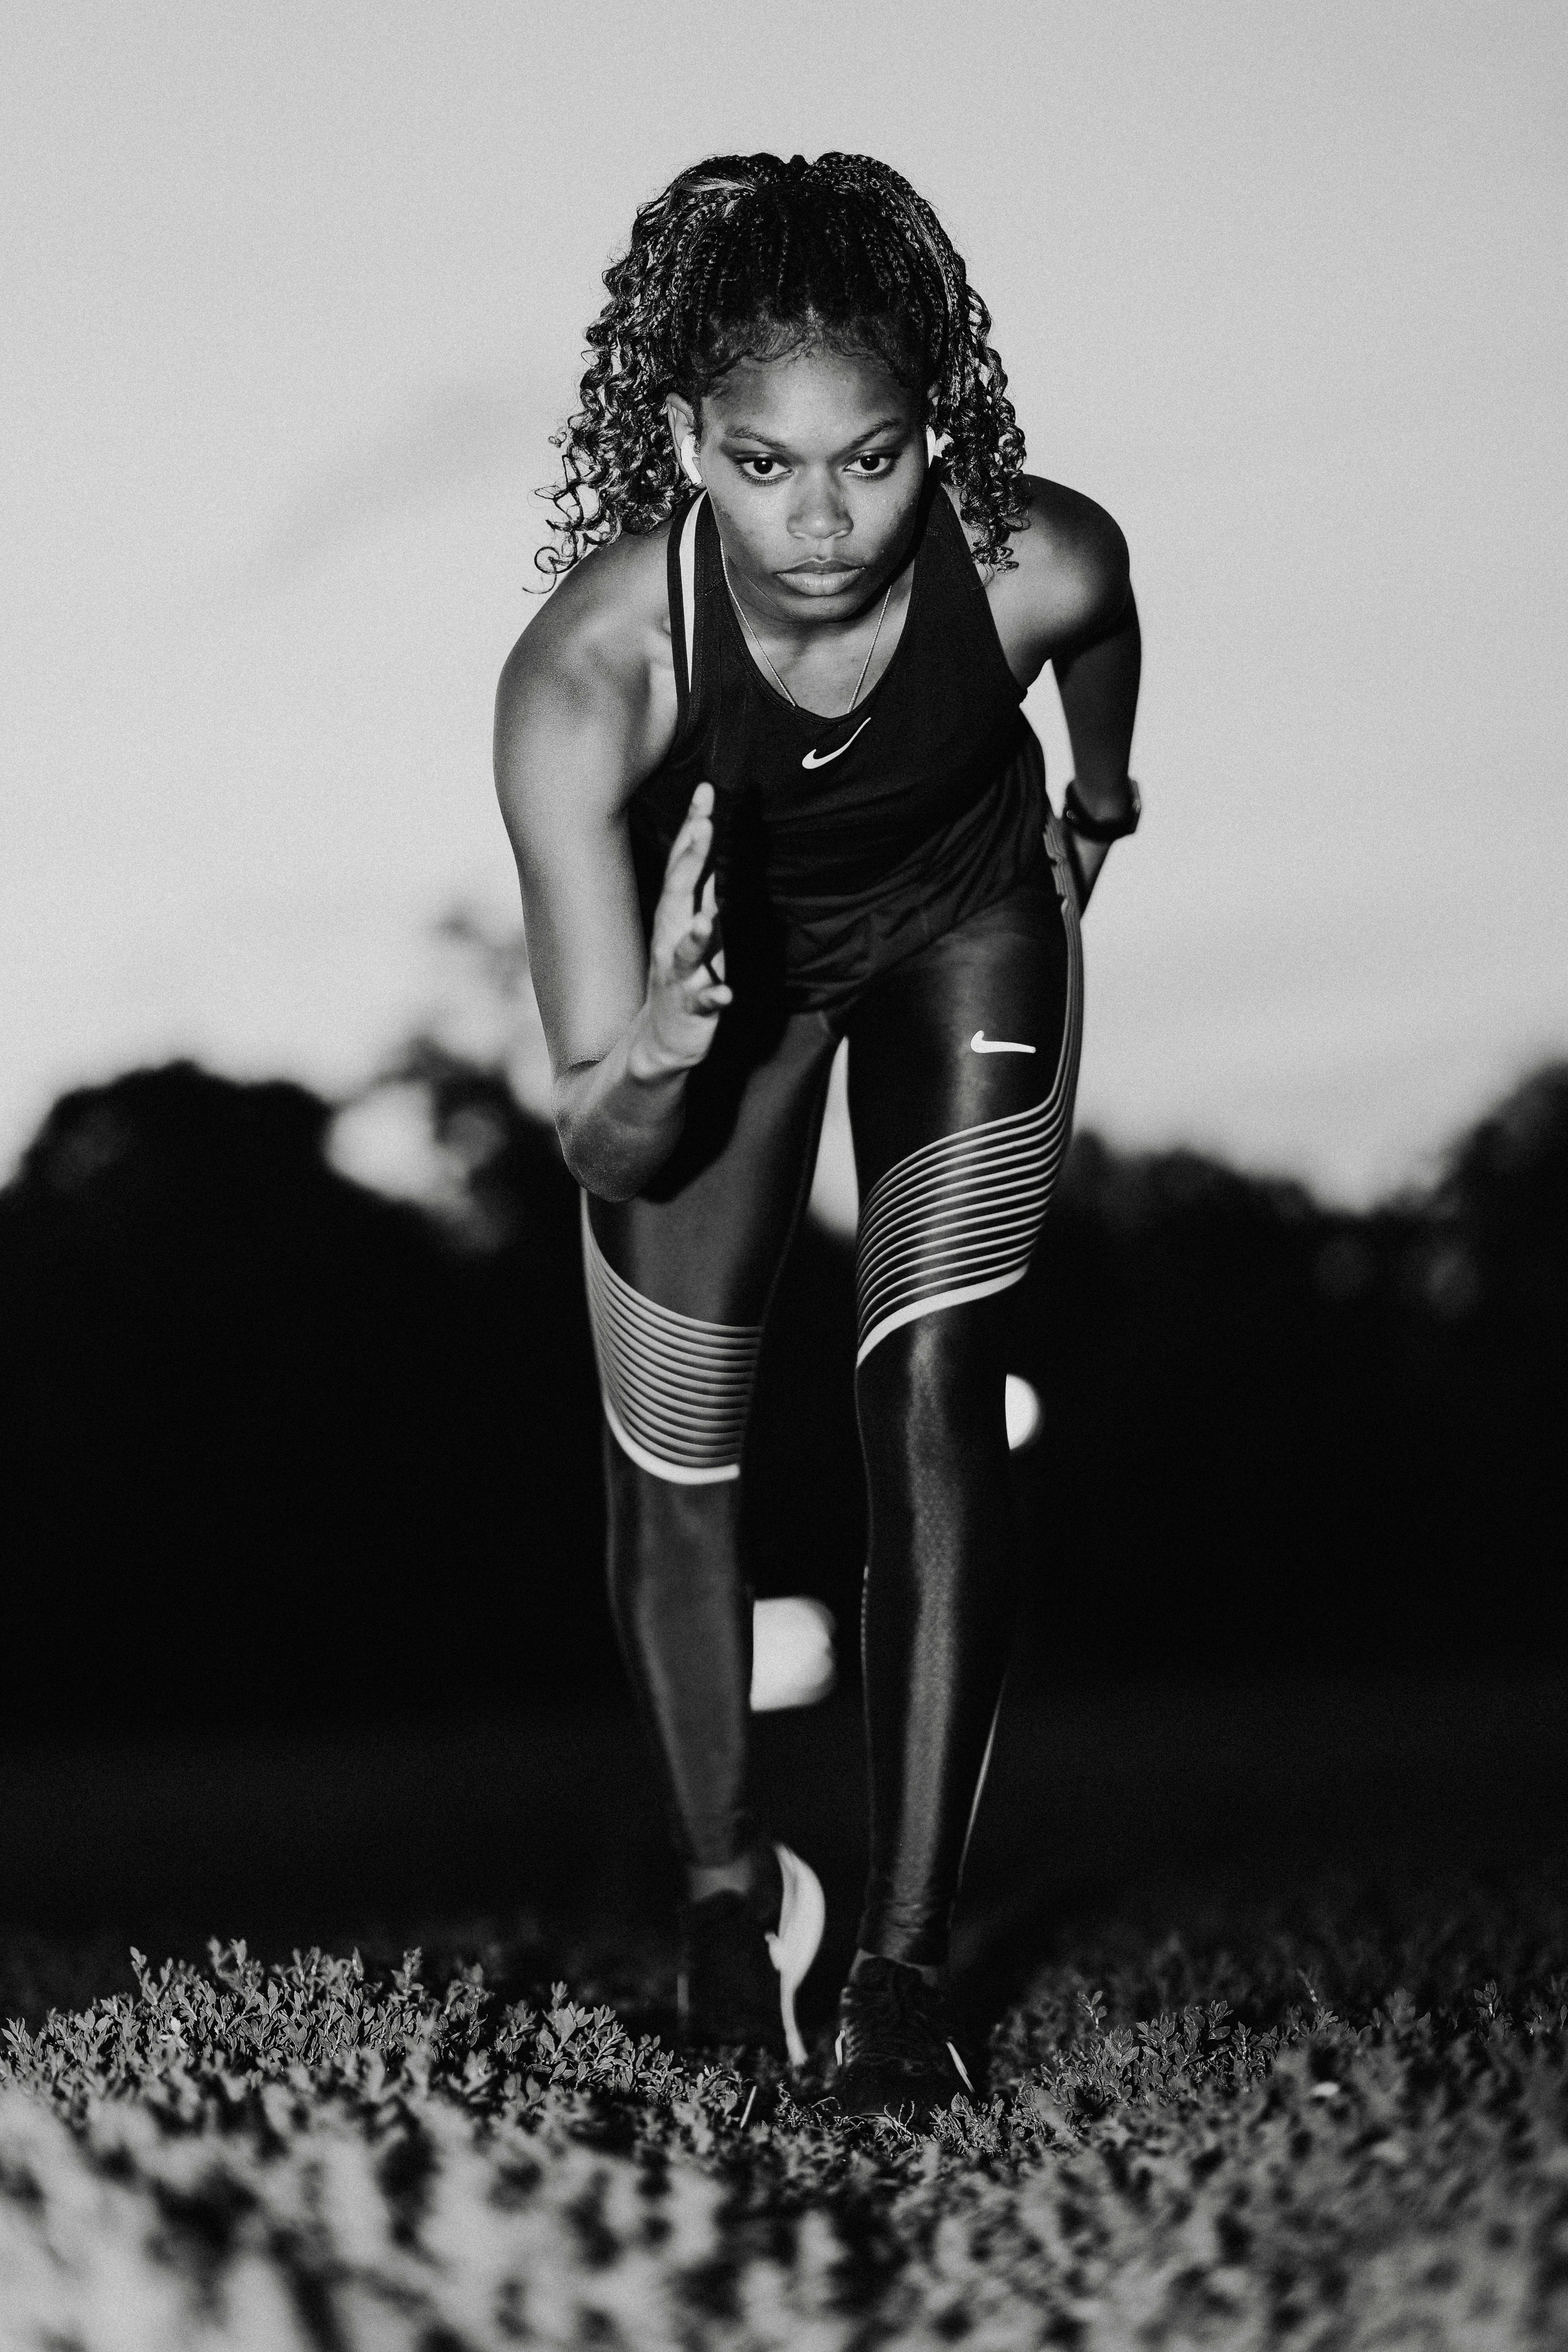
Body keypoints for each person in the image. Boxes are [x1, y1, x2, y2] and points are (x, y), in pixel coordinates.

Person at [494, 151, 1141, 2122]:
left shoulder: (1032, 556)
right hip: (725, 1003)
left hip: (962, 924)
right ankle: (721, 1901)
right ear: (684, 437)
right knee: (671, 1448)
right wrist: (675, 1034)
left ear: (927, 434)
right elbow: (599, 1150)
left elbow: (1100, 635)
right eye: (763, 466)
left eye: (867, 461)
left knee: (934, 1380)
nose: (821, 521)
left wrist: (1094, 805)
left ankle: (903, 1969)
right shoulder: (586, 683)